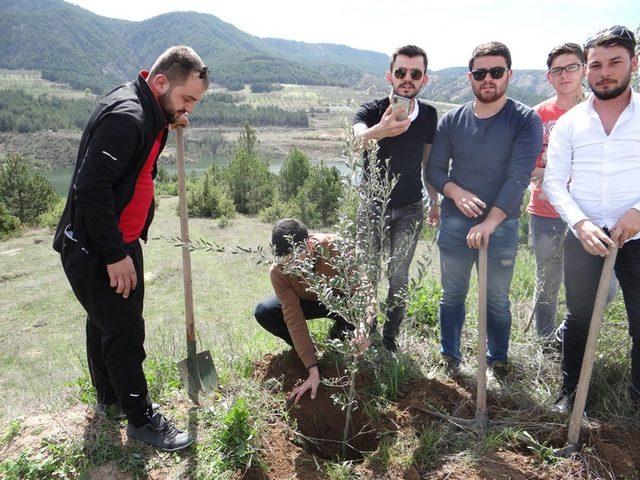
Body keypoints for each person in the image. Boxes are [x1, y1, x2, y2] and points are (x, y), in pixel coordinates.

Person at [53, 46, 209, 451]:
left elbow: (133, 165)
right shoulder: (128, 117)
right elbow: (90, 188)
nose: (189, 108)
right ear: (160, 82)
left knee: (103, 320)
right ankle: (141, 419)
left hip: (113, 240)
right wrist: (114, 255)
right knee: (124, 331)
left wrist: (172, 120)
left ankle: (110, 398)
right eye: (186, 99)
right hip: (100, 246)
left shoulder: (147, 107)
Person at [426, 41, 542, 374]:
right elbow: (434, 169)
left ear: (509, 74)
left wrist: (490, 222)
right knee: (452, 296)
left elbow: (519, 176)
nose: (487, 79)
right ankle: (450, 356)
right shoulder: (452, 120)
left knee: (496, 301)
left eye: (496, 72)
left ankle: (497, 360)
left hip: (502, 226)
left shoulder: (524, 120)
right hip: (454, 224)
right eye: (480, 73)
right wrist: (455, 192)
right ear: (470, 77)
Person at [544, 26, 640, 413]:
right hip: (584, 234)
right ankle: (572, 394)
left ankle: (636, 396)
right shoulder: (571, 123)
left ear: (633, 63)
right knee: (579, 316)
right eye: (596, 64)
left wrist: (639, 212)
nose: (604, 72)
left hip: (636, 235)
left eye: (614, 62)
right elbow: (553, 181)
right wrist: (580, 223)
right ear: (587, 70)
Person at [352, 45, 439, 352]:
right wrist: (382, 130)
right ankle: (366, 330)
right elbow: (352, 142)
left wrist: (435, 201)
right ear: (390, 75)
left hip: (411, 209)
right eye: (401, 72)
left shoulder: (428, 115)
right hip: (372, 207)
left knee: (398, 277)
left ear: (423, 80)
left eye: (415, 73)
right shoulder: (370, 111)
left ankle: (389, 340)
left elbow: (427, 163)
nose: (407, 79)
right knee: (368, 273)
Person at [254, 218, 370, 403]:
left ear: (308, 245)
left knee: (348, 342)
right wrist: (312, 369)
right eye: (285, 262)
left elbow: (364, 291)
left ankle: (341, 330)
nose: (291, 268)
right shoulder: (278, 272)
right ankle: (306, 350)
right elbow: (293, 317)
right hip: (308, 301)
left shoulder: (336, 247)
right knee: (264, 312)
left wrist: (363, 326)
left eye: (295, 260)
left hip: (341, 302)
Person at [527, 43, 586, 341]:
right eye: (557, 70)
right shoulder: (537, 115)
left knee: (601, 285)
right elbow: (525, 166)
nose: (565, 75)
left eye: (572, 67)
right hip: (546, 213)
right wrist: (554, 179)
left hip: (589, 215)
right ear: (549, 76)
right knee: (547, 283)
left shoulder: (596, 113)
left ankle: (567, 335)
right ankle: (545, 343)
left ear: (584, 69)